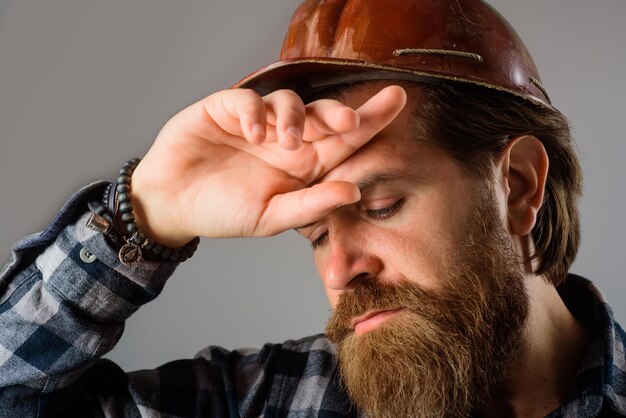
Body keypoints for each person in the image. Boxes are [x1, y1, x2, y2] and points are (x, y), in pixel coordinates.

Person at [0, 0, 624, 417]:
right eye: (316, 236)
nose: (338, 273)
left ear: (516, 186)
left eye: (380, 206)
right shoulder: (269, 399)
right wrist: (142, 216)